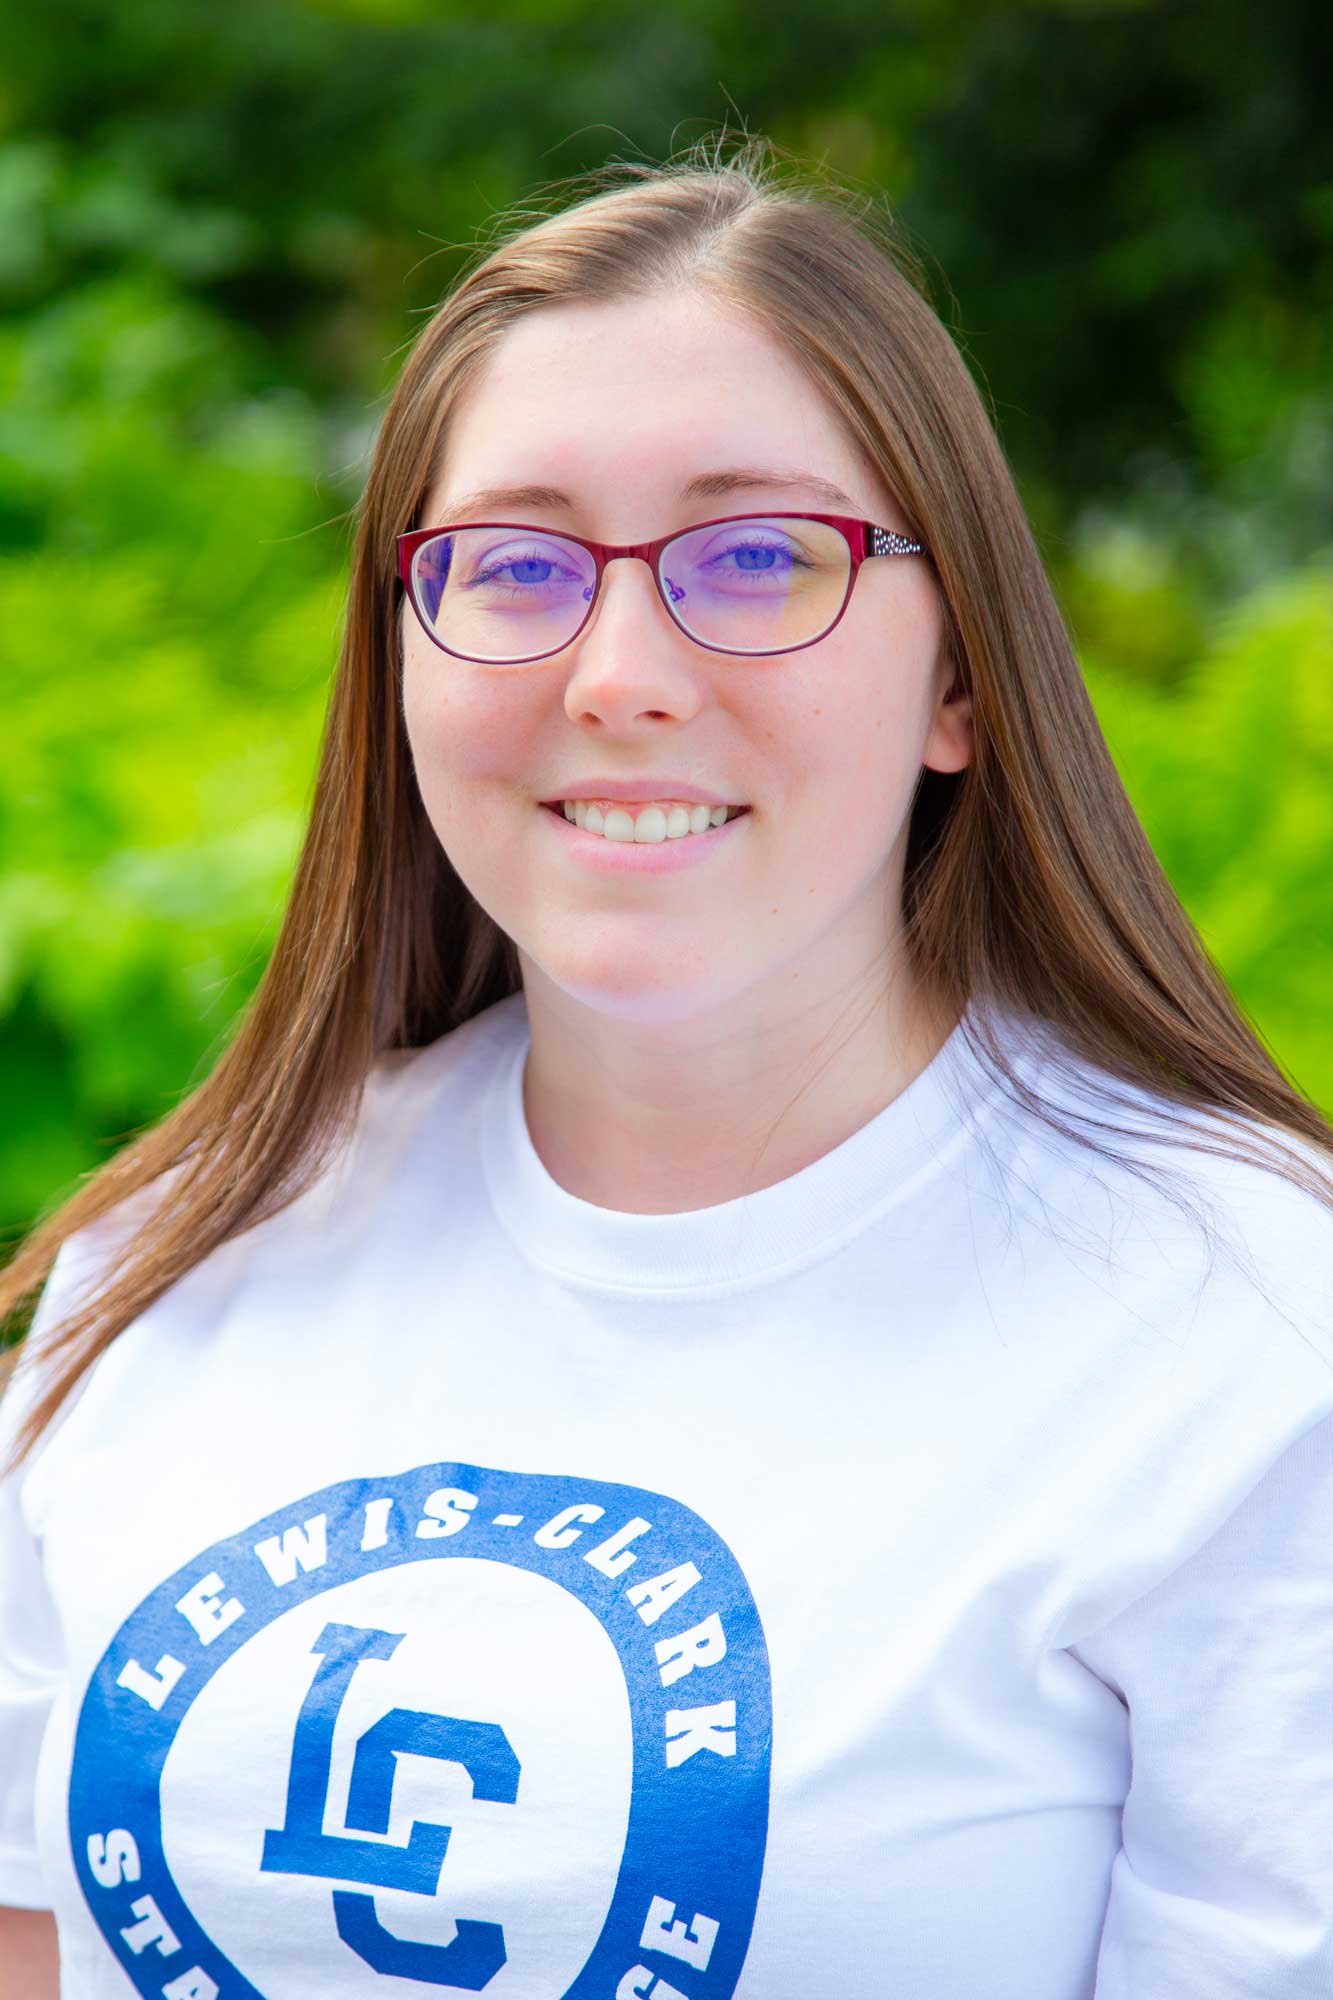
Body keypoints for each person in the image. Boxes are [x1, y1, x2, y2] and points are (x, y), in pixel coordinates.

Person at [2, 132, 1331, 2000]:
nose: (617, 672)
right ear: (401, 655)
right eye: (513, 563)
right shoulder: (173, 1265)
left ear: (961, 678)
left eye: (759, 555)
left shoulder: (1249, 1333)